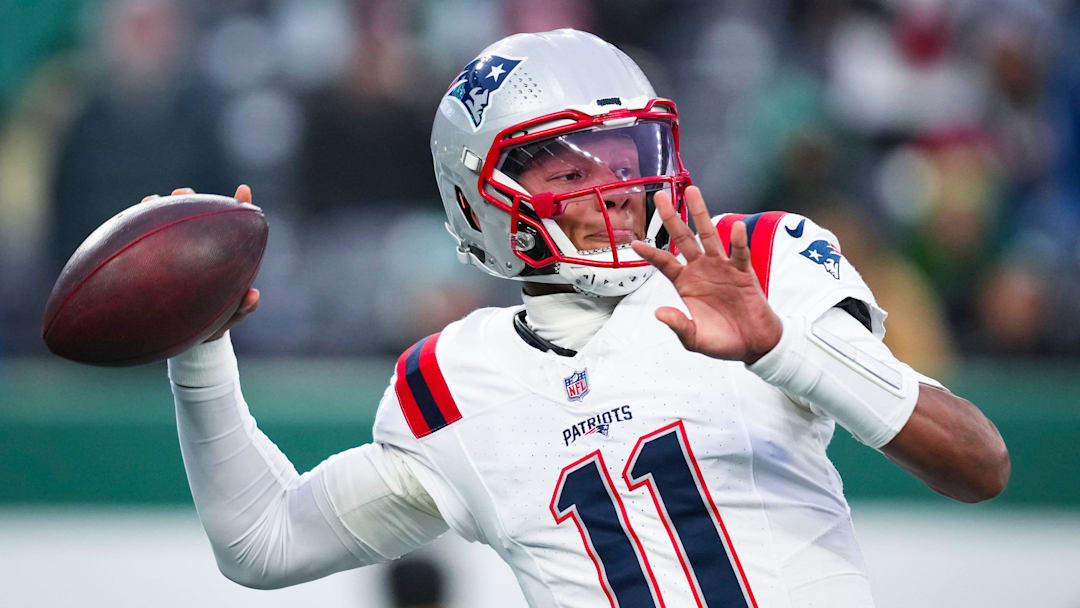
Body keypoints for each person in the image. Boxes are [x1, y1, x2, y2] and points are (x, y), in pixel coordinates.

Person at [161, 30, 1009, 607]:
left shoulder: (753, 264)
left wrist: (783, 348)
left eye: (628, 156)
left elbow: (979, 463)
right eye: (570, 171)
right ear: (481, 202)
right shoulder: (455, 385)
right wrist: (198, 345)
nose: (615, 191)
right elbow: (262, 542)